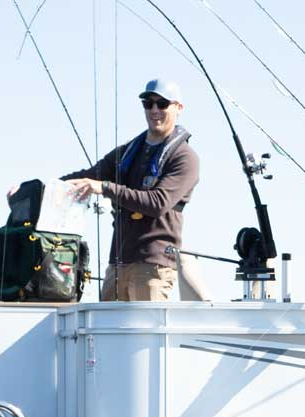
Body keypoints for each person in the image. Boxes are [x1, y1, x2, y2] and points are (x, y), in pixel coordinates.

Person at [47, 78, 200, 301]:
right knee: (106, 324)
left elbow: (158, 203)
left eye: (162, 104)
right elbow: (90, 176)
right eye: (148, 103)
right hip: (117, 264)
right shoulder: (129, 151)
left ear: (178, 107)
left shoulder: (185, 158)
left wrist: (105, 187)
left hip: (153, 265)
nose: (154, 110)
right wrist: (39, 189)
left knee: (146, 326)